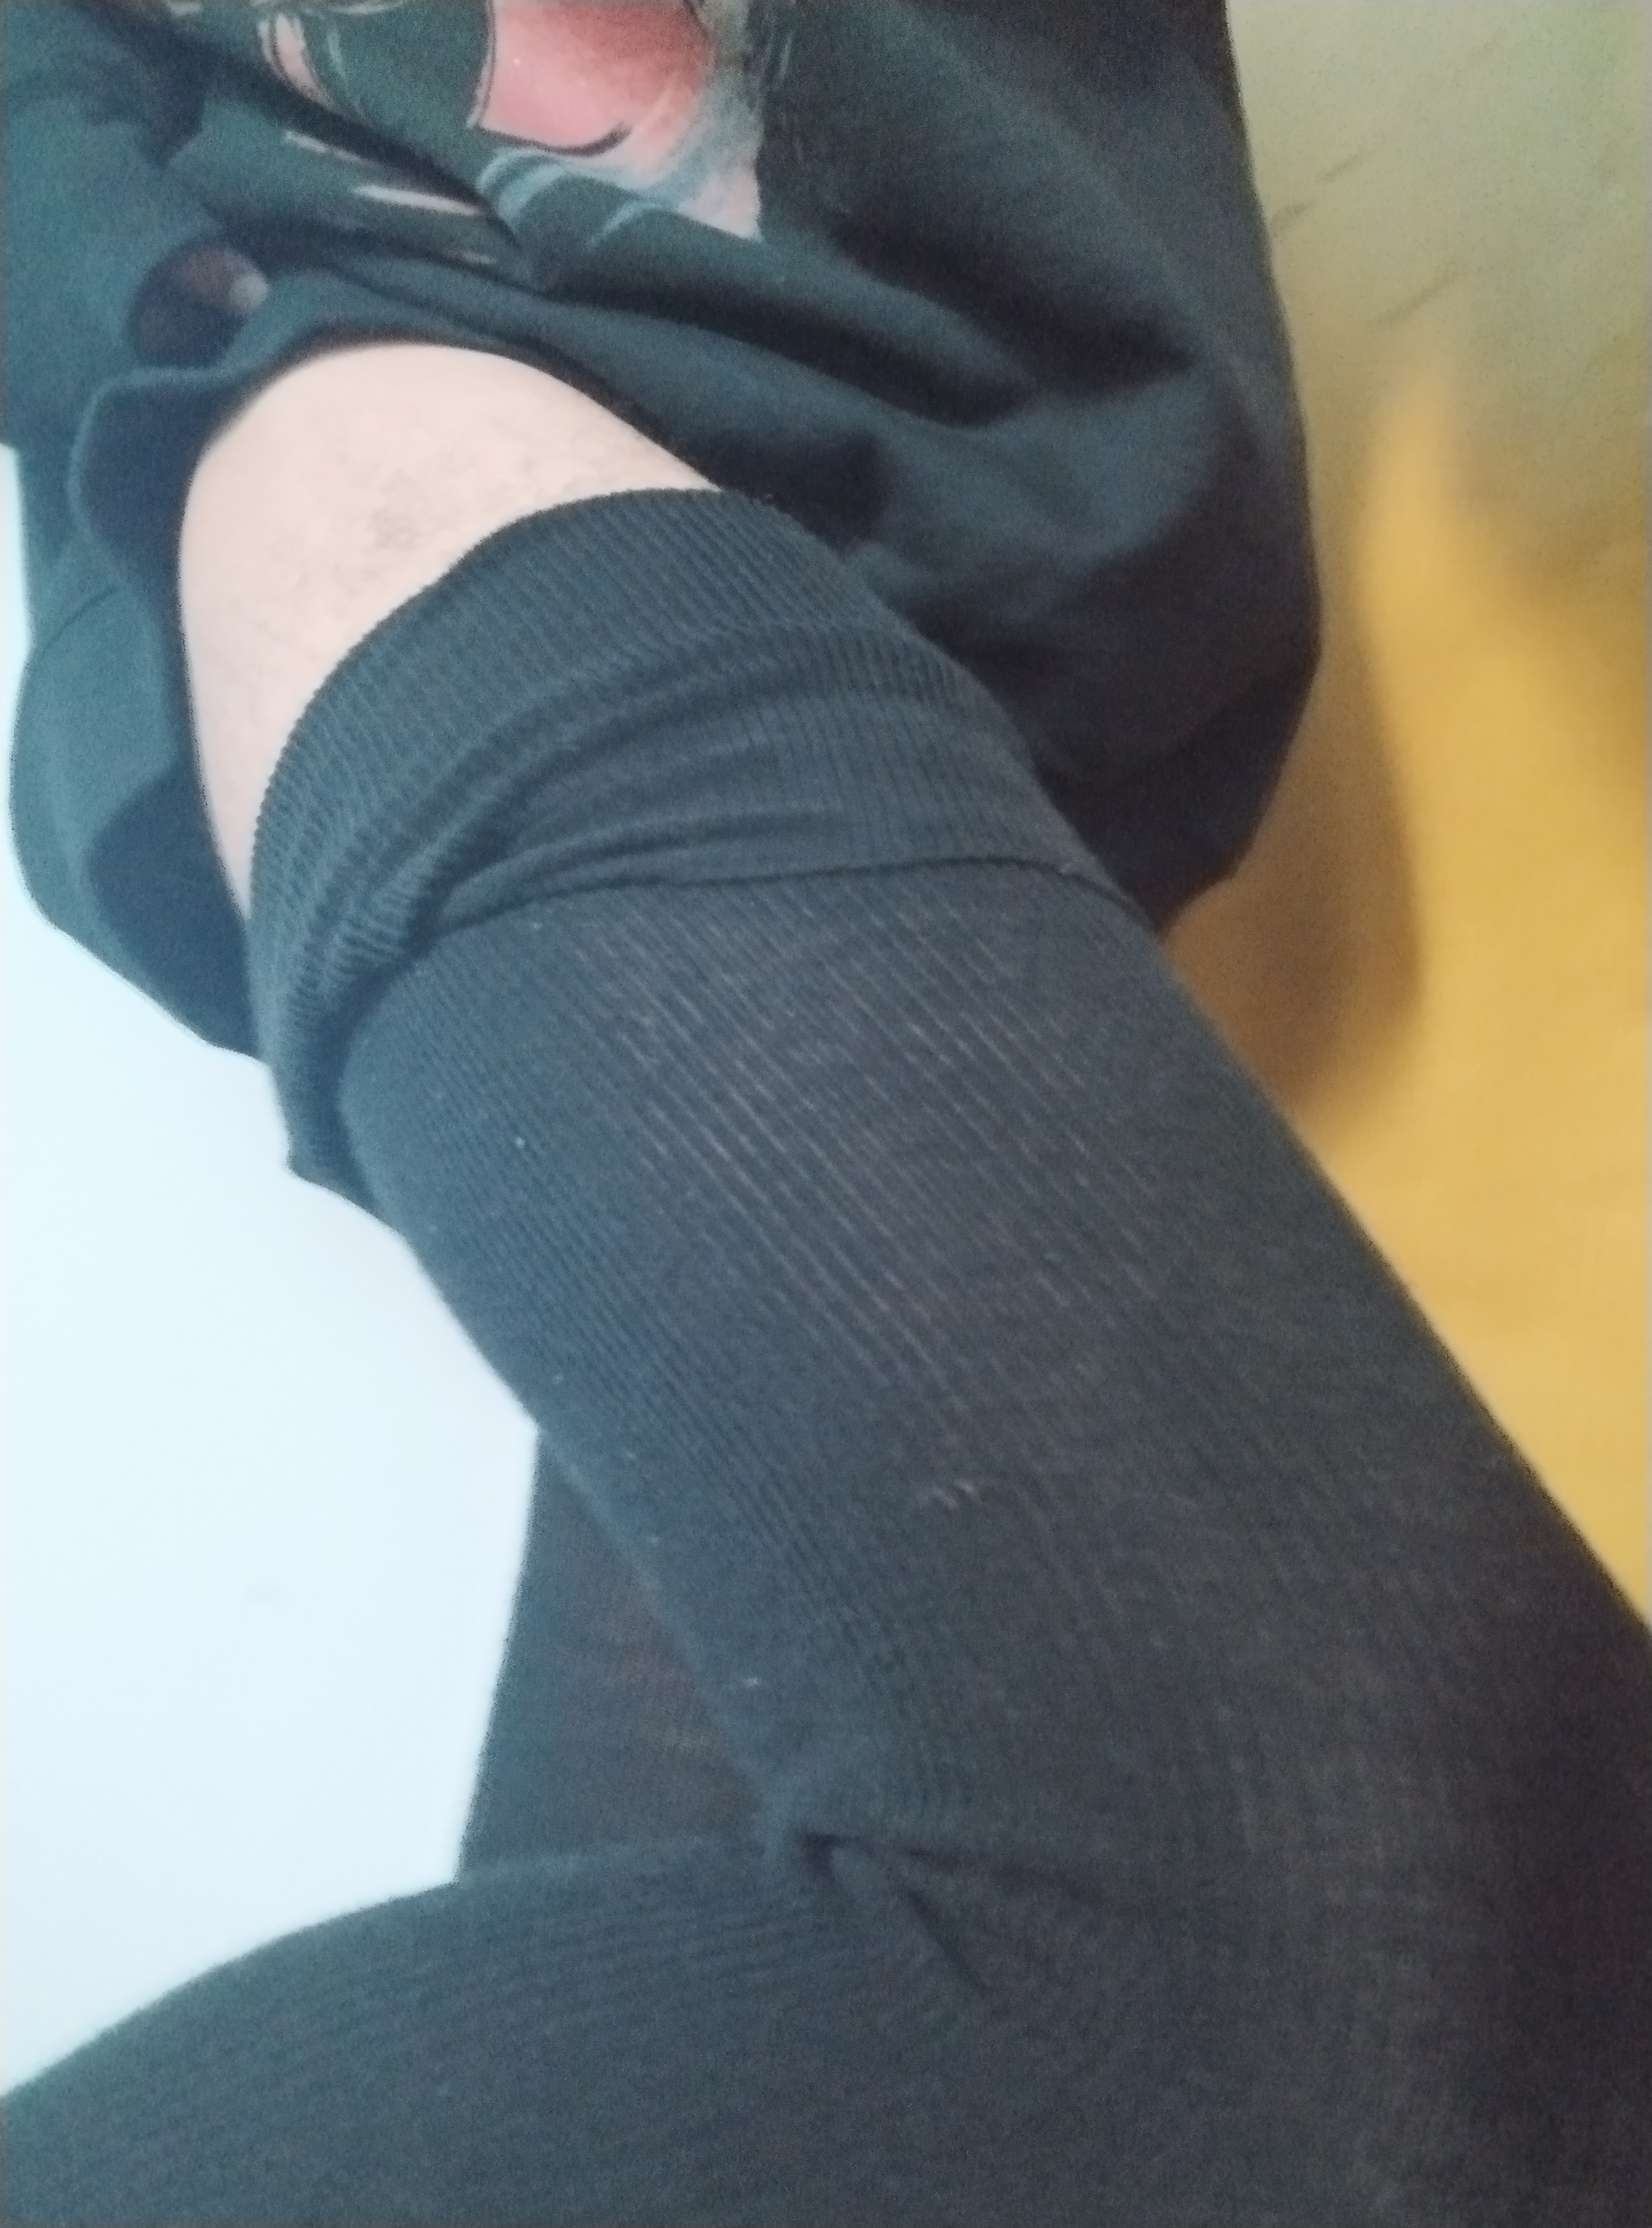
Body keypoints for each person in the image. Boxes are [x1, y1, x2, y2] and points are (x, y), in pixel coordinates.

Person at [3, 3, 1648, 2221]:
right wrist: (159, 298)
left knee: (880, 1938)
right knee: (1374, 1951)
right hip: (487, 451)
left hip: (985, 625)